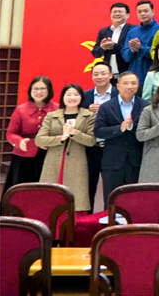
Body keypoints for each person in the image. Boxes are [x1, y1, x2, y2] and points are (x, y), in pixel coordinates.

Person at [35, 84, 95, 210]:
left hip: (77, 162)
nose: (72, 97)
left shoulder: (89, 115)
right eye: (69, 94)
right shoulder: (52, 115)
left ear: (81, 97)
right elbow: (39, 139)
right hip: (53, 161)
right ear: (63, 97)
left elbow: (91, 140)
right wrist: (61, 138)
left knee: (76, 200)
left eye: (76, 95)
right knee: (50, 199)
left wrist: (74, 133)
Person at [95, 71, 143, 197]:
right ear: (118, 86)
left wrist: (131, 127)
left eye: (133, 83)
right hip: (112, 162)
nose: (130, 86)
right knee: (111, 199)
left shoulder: (145, 105)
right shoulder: (106, 107)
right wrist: (119, 128)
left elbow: (146, 131)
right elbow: (98, 131)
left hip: (136, 161)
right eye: (125, 83)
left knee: (134, 199)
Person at [87, 62, 114, 204]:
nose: (100, 77)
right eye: (96, 74)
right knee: (88, 187)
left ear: (111, 75)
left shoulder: (119, 94)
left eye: (103, 73)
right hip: (91, 147)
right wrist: (87, 110)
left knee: (112, 189)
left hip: (112, 147)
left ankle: (112, 215)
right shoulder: (85, 96)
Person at [91, 2, 133, 78]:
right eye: (114, 12)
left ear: (127, 15)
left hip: (127, 73)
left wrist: (114, 46)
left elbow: (131, 51)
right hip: (108, 75)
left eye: (120, 12)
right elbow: (96, 53)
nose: (117, 14)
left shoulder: (133, 30)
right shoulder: (104, 31)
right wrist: (102, 47)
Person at [122, 0, 159, 79]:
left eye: (146, 11)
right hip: (134, 76)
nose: (142, 14)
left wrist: (141, 48)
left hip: (154, 75)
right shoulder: (132, 32)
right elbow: (126, 57)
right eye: (139, 12)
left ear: (153, 12)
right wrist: (132, 50)